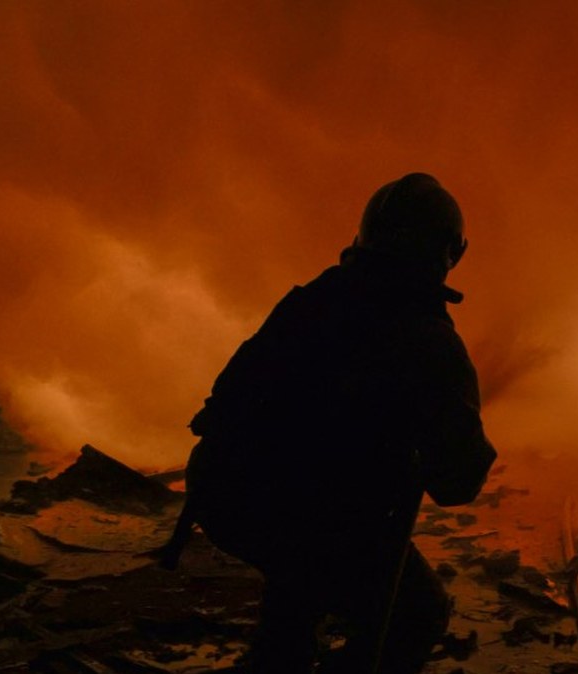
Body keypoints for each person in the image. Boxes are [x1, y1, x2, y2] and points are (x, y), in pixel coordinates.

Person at [180, 173, 497, 674]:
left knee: (302, 572)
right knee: (415, 614)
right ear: (451, 252)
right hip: (303, 512)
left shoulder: (313, 299)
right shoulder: (429, 343)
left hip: (226, 494)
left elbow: (228, 400)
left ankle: (280, 653)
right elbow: (457, 483)